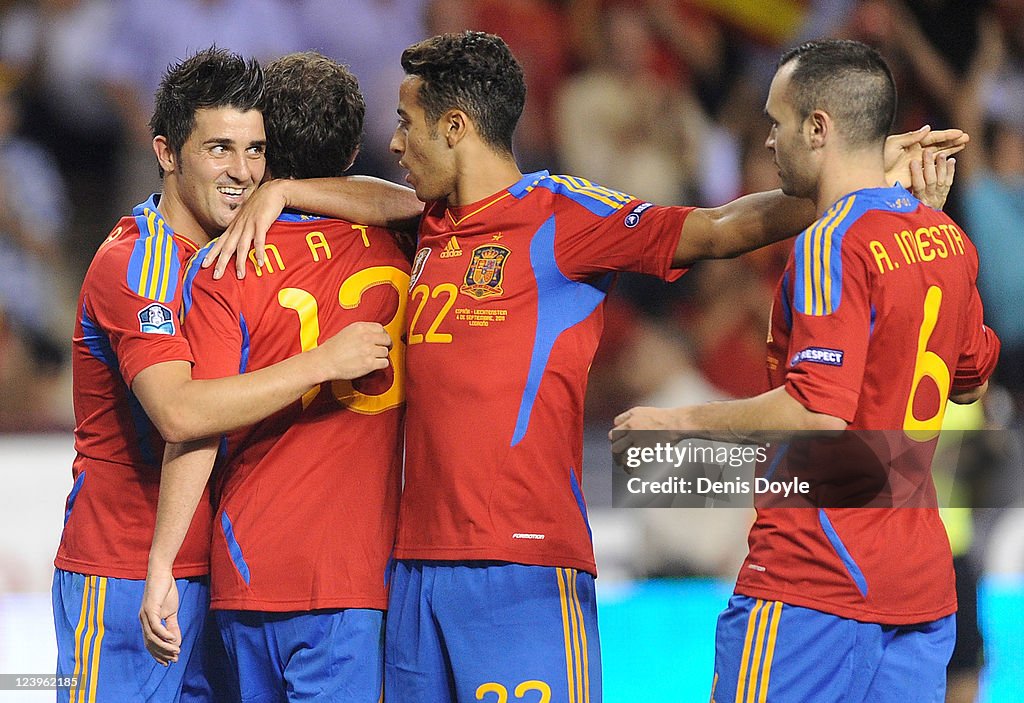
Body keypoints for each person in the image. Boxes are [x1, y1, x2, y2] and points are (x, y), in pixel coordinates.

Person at [205, 31, 968, 703]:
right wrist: (288, 189)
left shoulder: (563, 217)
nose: (395, 142)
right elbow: (381, 200)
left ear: (457, 125)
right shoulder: (431, 222)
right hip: (412, 571)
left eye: (407, 124)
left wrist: (857, 182)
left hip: (526, 571)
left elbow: (716, 229)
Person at [613, 39, 1001, 702]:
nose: (767, 141)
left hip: (813, 575)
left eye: (776, 122)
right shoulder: (946, 238)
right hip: (918, 586)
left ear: (817, 128)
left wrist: (677, 420)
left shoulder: (831, 241)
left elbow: (819, 407)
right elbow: (971, 379)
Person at [52, 47, 393, 703]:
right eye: (218, 149)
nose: (242, 172)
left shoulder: (238, 255)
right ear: (166, 152)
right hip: (124, 578)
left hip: (215, 574)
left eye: (255, 151)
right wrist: (324, 361)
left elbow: (411, 206)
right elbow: (178, 412)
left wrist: (290, 190)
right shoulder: (141, 262)